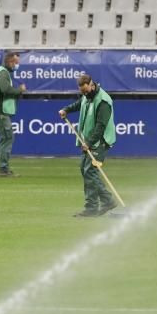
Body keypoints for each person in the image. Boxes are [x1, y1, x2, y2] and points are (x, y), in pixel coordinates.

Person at [59, 74, 118, 217]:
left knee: (90, 172)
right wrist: (66, 109)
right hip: (90, 141)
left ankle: (107, 200)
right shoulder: (87, 96)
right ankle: (91, 208)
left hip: (101, 142)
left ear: (92, 85)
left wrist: (89, 142)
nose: (84, 94)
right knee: (85, 171)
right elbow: (79, 104)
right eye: (82, 92)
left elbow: (101, 126)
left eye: (86, 91)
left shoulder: (103, 101)